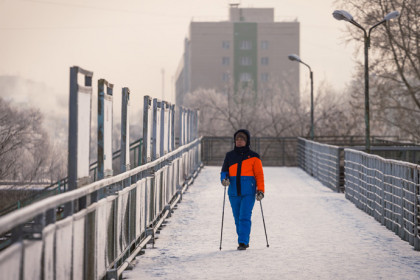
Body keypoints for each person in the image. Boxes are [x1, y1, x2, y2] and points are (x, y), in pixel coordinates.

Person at [220, 129, 265, 250]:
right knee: (237, 217)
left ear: (247, 141)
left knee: (244, 216)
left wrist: (260, 190)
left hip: (248, 191)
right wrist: (224, 179)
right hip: (233, 192)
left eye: (242, 139)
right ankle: (243, 238)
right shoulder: (230, 156)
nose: (239, 142)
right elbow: (224, 171)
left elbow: (259, 175)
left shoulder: (254, 157)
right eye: (237, 140)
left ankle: (243, 242)